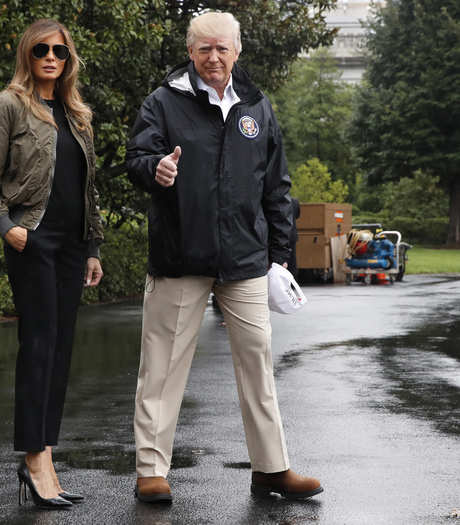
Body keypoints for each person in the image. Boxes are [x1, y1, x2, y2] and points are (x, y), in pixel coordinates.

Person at [126, 11, 322, 504]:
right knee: (162, 367)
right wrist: (157, 170)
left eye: (222, 48)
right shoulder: (164, 102)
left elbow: (276, 188)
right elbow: (136, 160)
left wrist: (281, 256)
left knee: (257, 363)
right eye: (203, 48)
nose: (213, 57)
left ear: (237, 51)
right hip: (180, 256)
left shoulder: (257, 105)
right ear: (190, 53)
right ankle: (151, 469)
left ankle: (272, 469)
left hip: (245, 258)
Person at [0, 19, 104, 510]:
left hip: (71, 246)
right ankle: (33, 458)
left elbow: (88, 191)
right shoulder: (6, 106)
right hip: (33, 241)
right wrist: (8, 228)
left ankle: (47, 457)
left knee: (61, 350)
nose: (50, 57)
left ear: (69, 60)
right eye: (41, 49)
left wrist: (93, 248)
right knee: (39, 347)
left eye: (59, 51)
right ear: (28, 54)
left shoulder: (76, 114)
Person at [287, 197, 301, 277]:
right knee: (292, 259)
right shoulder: (295, 201)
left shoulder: (277, 200)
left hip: (280, 235)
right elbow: (297, 215)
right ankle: (293, 279)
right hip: (292, 234)